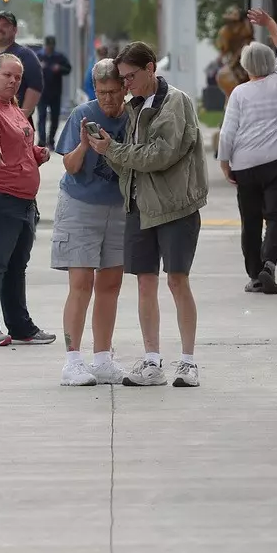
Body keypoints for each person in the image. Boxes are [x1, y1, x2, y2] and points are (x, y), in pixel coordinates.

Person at [92, 41, 208, 388]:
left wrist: (113, 149)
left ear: (151, 68)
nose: (125, 84)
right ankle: (152, 360)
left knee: (177, 281)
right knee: (145, 282)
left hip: (175, 207)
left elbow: (160, 155)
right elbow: (131, 159)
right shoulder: (134, 107)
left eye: (130, 77)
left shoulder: (176, 103)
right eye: (122, 78)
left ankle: (188, 362)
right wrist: (106, 148)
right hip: (139, 206)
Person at [0, 53, 56, 348]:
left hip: (22, 200)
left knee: (16, 266)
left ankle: (20, 327)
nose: (14, 81)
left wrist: (36, 153)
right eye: (7, 75)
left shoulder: (13, 107)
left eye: (18, 76)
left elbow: (19, 143)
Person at [50, 60, 131, 387]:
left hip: (119, 207)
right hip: (80, 205)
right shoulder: (82, 115)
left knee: (110, 284)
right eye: (101, 93)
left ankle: (102, 359)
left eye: (113, 92)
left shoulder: (134, 115)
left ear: (125, 88)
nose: (108, 100)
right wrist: (84, 144)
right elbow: (69, 166)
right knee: (81, 282)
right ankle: (72, 360)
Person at [217, 8, 277, 296]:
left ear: (246, 66)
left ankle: (255, 275)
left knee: (250, 221)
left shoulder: (239, 93)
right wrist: (269, 23)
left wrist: (225, 162)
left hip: (247, 165)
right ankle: (269, 266)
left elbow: (228, 132)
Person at [36, 35, 73, 145]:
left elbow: (68, 69)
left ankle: (51, 139)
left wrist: (59, 68)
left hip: (55, 93)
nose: (49, 49)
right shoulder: (39, 56)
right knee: (42, 117)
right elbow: (29, 70)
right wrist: (39, 67)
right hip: (42, 93)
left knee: (54, 118)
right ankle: (42, 140)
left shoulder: (59, 57)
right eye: (48, 46)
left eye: (51, 47)